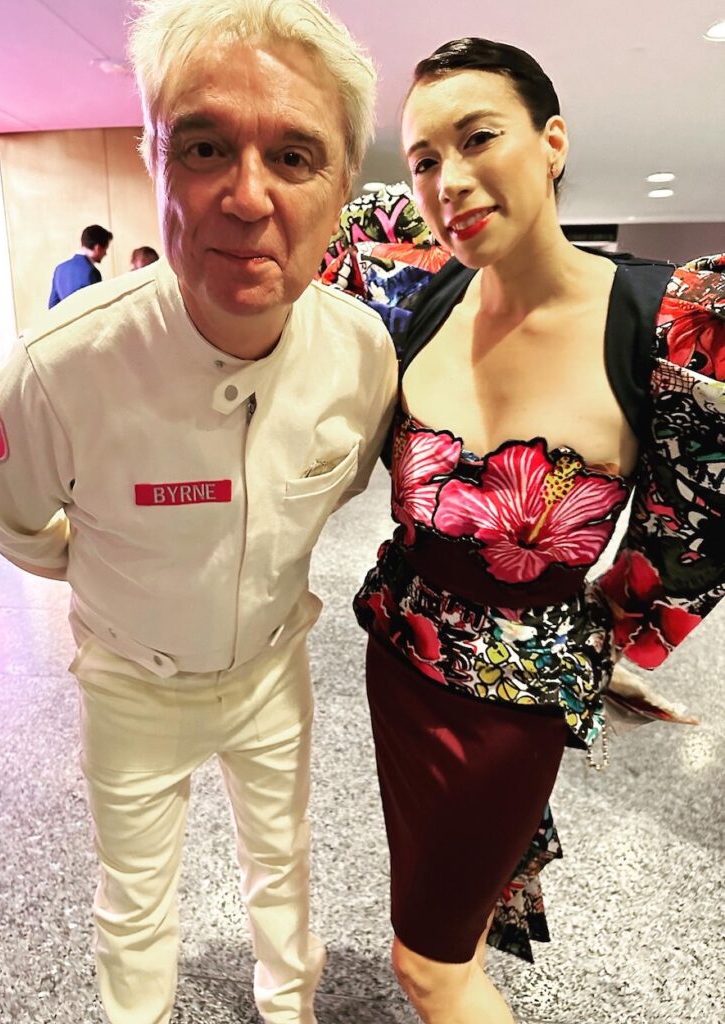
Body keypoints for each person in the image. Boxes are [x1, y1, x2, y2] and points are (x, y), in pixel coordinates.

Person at [0, 3, 394, 1023]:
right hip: (131, 684)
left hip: (270, 669)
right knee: (135, 901)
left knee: (284, 871)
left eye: (296, 155)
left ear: (341, 188)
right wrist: (120, 574)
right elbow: (15, 518)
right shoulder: (52, 375)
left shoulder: (362, 354)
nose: (247, 197)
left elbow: (341, 482)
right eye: (205, 145)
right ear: (155, 157)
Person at [325, 37, 725, 1024]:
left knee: (427, 965)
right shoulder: (417, 291)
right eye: (422, 158)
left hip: (510, 711)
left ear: (552, 142)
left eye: (478, 138)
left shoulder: (660, 318)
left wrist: (604, 635)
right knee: (439, 925)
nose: (447, 181)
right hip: (396, 660)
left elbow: (696, 533)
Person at [48, 224, 113, 307]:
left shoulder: (59, 269)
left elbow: (52, 305)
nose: (105, 253)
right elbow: (96, 307)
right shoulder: (92, 272)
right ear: (97, 248)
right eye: (105, 249)